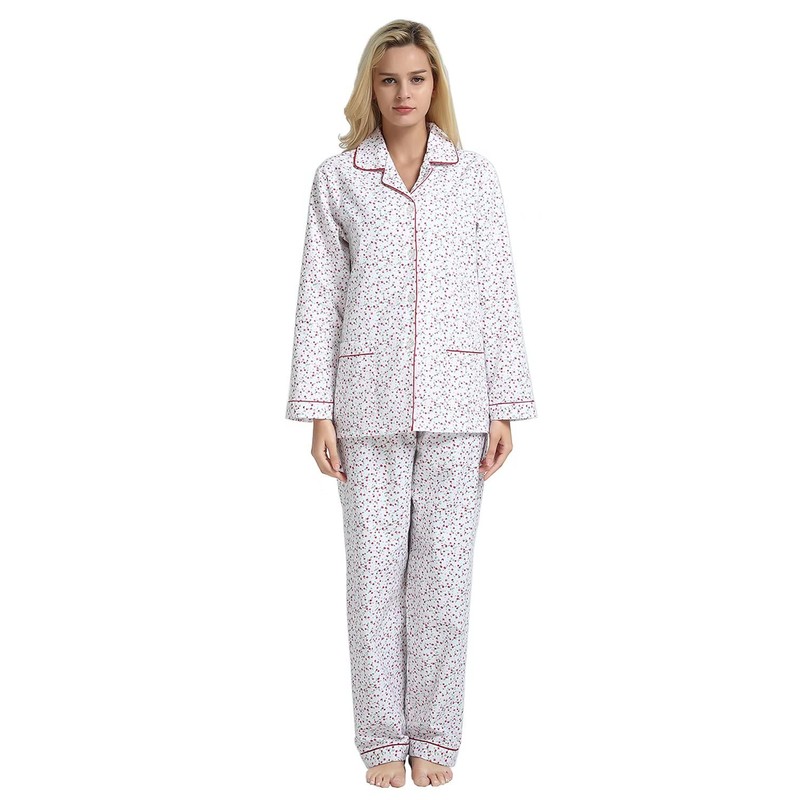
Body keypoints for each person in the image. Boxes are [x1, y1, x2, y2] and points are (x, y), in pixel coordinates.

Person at [285, 19, 537, 788]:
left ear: (436, 85)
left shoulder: (476, 176)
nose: (403, 93)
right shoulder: (338, 179)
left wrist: (505, 405)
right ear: (371, 85)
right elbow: (319, 296)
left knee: (443, 583)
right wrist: (317, 410)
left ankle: (434, 736)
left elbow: (497, 289)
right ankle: (380, 741)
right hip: (366, 405)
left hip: (461, 405)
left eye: (417, 79)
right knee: (372, 583)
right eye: (389, 78)